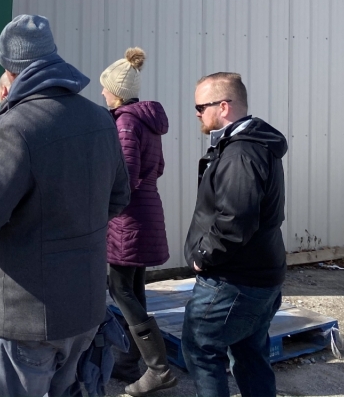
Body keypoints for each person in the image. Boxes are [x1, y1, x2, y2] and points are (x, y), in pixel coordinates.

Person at [0, 14, 131, 397]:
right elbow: (118, 198)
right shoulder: (99, 118)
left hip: (27, 312)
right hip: (86, 303)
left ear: (8, 70)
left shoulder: (15, 127)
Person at [181, 72, 288, 397]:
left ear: (223, 106)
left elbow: (236, 219)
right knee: (249, 352)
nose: (197, 113)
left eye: (201, 107)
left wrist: (202, 257)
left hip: (233, 282)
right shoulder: (249, 146)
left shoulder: (241, 153)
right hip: (257, 277)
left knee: (201, 350)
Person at [99, 47, 176, 395]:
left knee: (119, 288)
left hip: (127, 218)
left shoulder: (126, 122)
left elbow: (124, 177)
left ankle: (158, 368)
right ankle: (130, 361)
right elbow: (155, 169)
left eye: (105, 87)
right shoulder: (148, 121)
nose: (102, 93)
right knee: (134, 288)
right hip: (147, 211)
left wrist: (102, 205)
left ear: (118, 90)